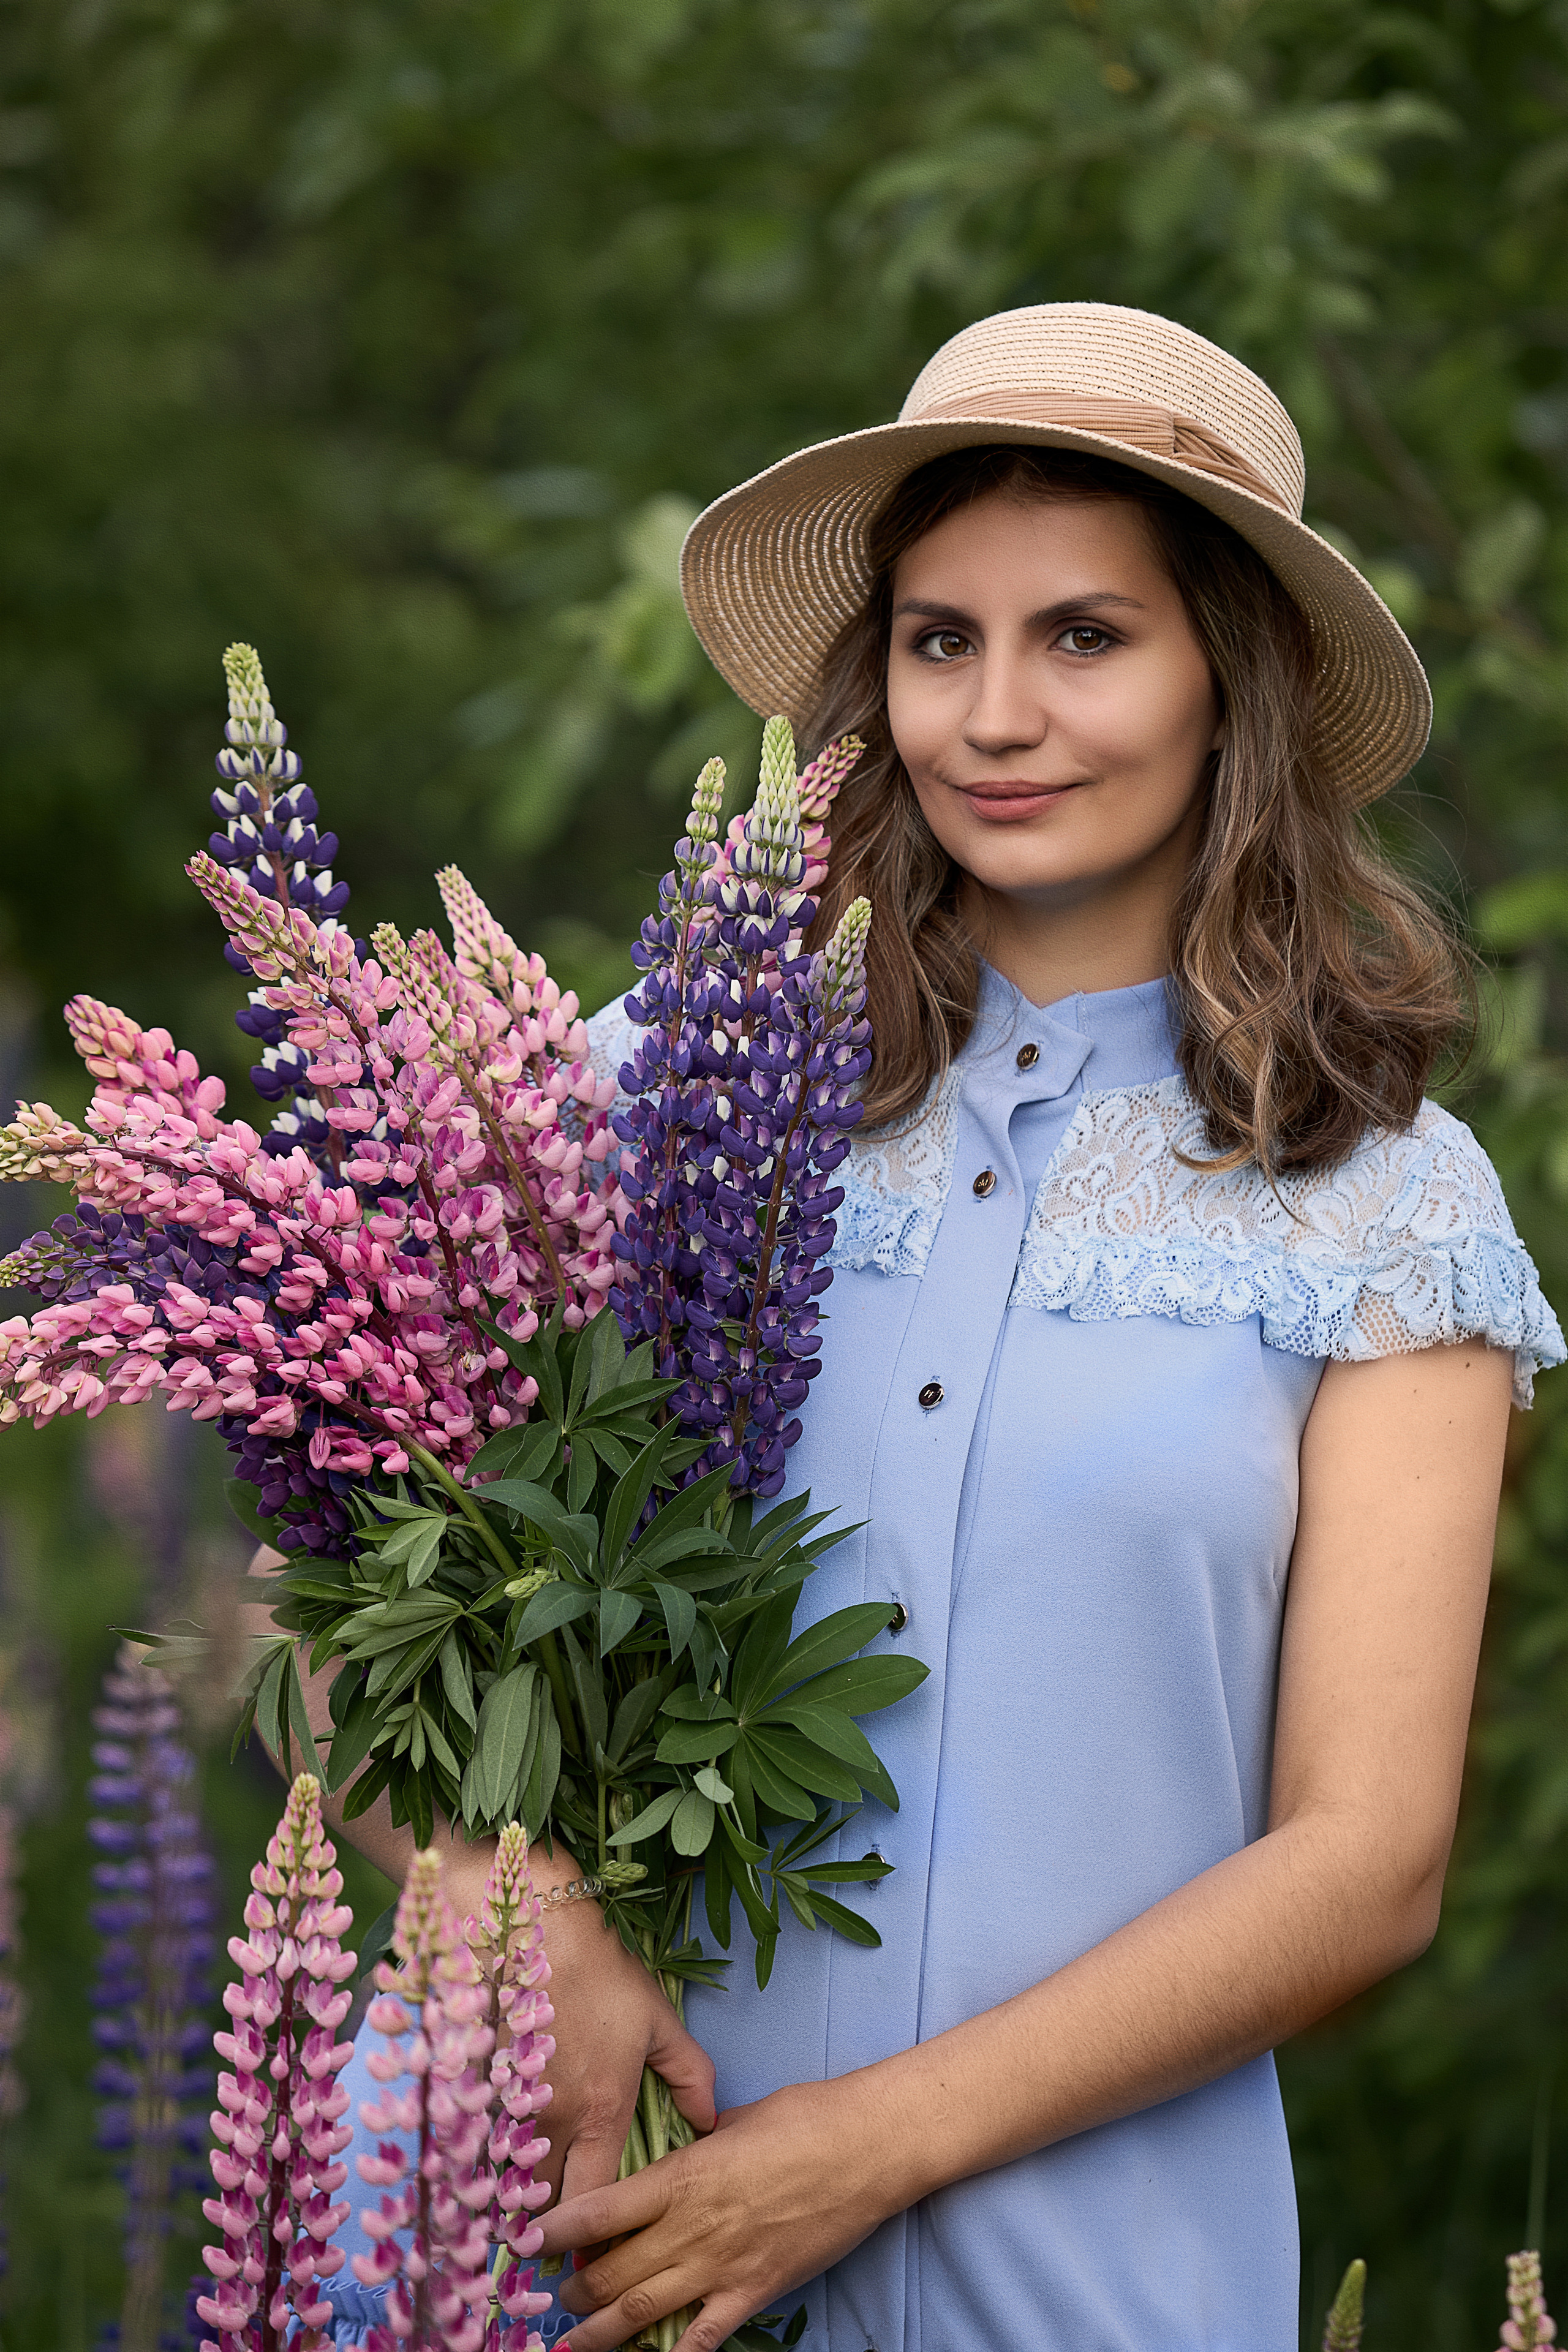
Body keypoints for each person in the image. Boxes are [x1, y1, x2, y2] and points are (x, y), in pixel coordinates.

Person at [261, 303, 1564, 2352]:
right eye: (942, 639)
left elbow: (1368, 1857)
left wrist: (868, 2145)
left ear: (1234, 680)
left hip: (1093, 2278)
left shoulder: (1389, 1201)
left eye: (1087, 636)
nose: (996, 713)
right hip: (560, 2231)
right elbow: (329, 1578)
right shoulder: (653, 1087)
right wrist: (497, 1890)